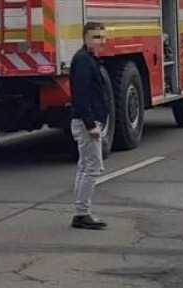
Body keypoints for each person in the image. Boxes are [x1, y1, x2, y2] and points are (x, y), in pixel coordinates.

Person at [69, 21, 111, 230]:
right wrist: (90, 124)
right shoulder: (84, 61)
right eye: (95, 37)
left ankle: (81, 211)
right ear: (85, 38)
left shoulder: (89, 59)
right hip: (88, 122)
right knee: (93, 167)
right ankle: (82, 213)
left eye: (102, 37)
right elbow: (81, 94)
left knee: (85, 165)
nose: (100, 41)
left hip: (90, 120)